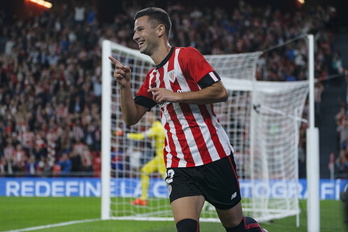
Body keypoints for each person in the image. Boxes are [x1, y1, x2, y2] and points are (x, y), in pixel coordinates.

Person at [109, 7, 267, 232]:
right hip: (179, 162)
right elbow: (131, 118)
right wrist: (125, 87)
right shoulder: (152, 77)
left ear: (160, 29)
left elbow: (220, 92)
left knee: (235, 226)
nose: (135, 36)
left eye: (140, 29)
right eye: (134, 31)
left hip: (213, 155)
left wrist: (177, 95)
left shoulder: (187, 56)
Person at [127, 111, 166, 206]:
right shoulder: (156, 127)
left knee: (170, 180)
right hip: (159, 157)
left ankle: (200, 200)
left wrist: (126, 135)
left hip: (162, 158)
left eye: (148, 116)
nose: (146, 118)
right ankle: (143, 199)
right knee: (144, 171)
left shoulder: (157, 127)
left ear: (153, 116)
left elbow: (141, 136)